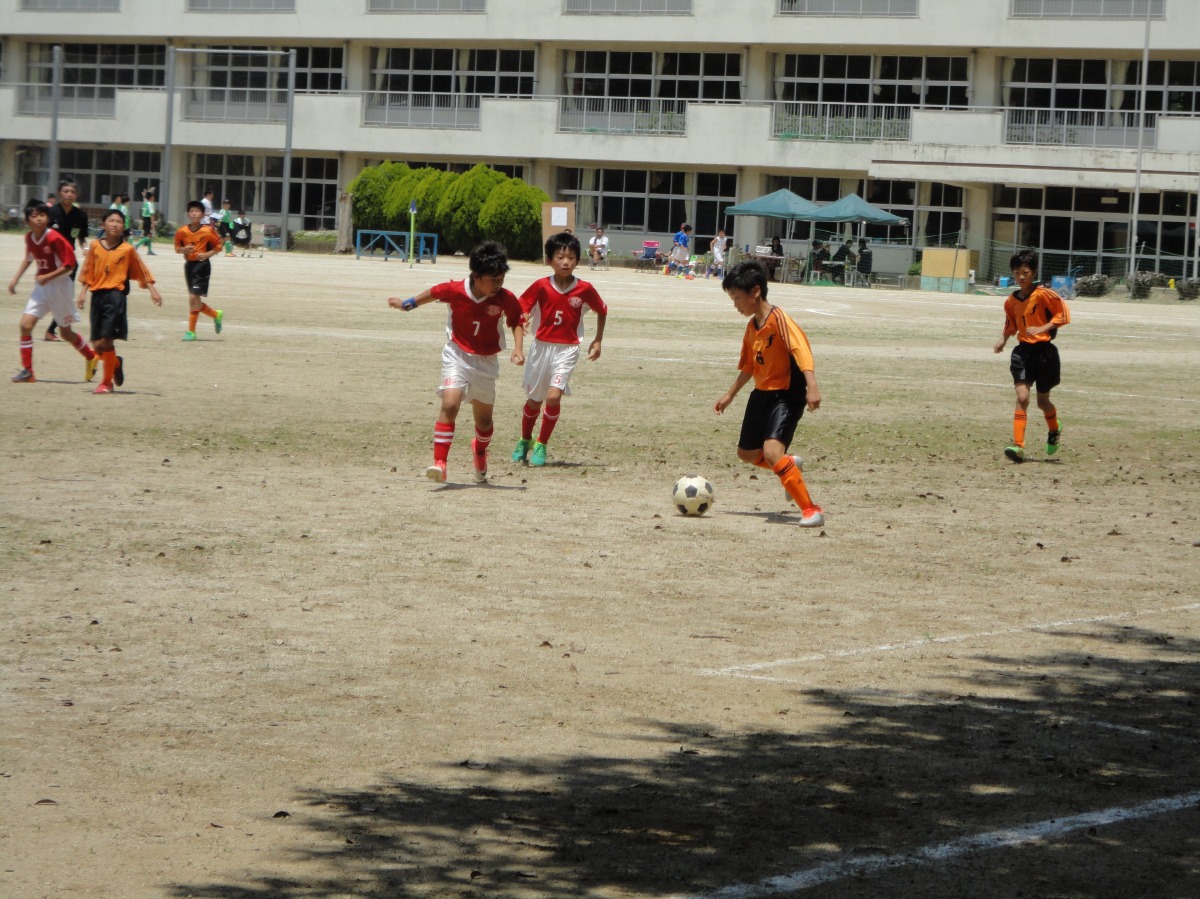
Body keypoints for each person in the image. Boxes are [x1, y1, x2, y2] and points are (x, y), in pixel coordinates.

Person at [387, 241, 525, 484]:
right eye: (494, 280)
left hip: (486, 361)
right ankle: (440, 463)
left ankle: (479, 450)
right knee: (450, 403)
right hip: (457, 354)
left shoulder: (505, 298)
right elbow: (433, 292)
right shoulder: (455, 290)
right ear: (477, 276)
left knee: (484, 423)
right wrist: (406, 304)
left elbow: (516, 321)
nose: (498, 285)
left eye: (501, 279)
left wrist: (518, 349)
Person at [713, 260, 825, 528]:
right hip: (761, 394)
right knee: (746, 454)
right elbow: (749, 366)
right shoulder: (752, 327)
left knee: (772, 452)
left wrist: (812, 385)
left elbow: (801, 351)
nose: (735, 305)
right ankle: (789, 467)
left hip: (786, 395)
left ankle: (812, 510)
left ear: (755, 292)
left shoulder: (779, 319)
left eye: (737, 298)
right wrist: (730, 395)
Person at [512, 231, 608, 468]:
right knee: (534, 401)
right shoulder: (541, 286)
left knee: (553, 397)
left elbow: (602, 310)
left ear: (577, 260)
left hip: (567, 349)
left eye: (571, 257)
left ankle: (542, 443)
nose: (566, 262)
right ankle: (525, 439)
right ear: (549, 260)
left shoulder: (584, 288)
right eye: (560, 257)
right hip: (541, 348)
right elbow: (521, 306)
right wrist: (524, 318)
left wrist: (597, 340)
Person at [8, 199, 98, 384]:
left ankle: (91, 356)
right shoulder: (29, 238)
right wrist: (15, 279)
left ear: (48, 218)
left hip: (60, 287)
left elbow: (70, 265)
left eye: (42, 215)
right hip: (42, 288)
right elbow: (29, 258)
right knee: (25, 325)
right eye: (34, 216)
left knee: (65, 333)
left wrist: (47, 277)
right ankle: (28, 371)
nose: (39, 219)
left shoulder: (54, 238)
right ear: (27, 220)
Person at [993, 248, 1069, 463]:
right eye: (1017, 273)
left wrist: (1043, 328)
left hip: (1045, 354)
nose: (1021, 277)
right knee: (1022, 397)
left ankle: (1054, 429)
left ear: (1034, 273)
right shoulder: (1011, 301)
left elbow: (1062, 315)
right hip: (1023, 353)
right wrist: (1003, 339)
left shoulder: (1045, 294)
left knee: (1043, 402)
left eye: (1025, 272)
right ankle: (1017, 446)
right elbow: (1011, 324)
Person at [75, 208, 162, 394]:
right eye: (111, 221)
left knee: (107, 339)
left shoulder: (127, 249)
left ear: (123, 227)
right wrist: (82, 293)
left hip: (116, 296)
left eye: (119, 222)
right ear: (103, 224)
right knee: (98, 345)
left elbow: (141, 270)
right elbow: (88, 270)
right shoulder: (95, 246)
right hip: (97, 296)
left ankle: (106, 383)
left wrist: (153, 291)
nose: (115, 224)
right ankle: (115, 363)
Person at [43, 179, 89, 342]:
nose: (69, 195)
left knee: (65, 296)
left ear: (77, 195)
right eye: (66, 191)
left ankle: (51, 330)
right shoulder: (50, 212)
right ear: (59, 193)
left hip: (69, 262)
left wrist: (85, 247)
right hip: (50, 260)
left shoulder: (81, 215)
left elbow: (81, 237)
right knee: (50, 295)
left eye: (72, 192)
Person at [174, 200, 225, 342]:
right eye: (191, 211)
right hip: (189, 266)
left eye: (197, 211)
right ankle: (215, 314)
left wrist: (206, 255)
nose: (194, 213)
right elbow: (177, 248)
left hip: (202, 266)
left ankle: (191, 332)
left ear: (202, 214)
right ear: (188, 214)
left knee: (192, 298)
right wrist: (184, 250)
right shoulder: (182, 231)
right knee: (195, 300)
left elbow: (218, 246)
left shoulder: (208, 231)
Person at [135, 189, 157, 255]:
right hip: (148, 220)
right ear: (151, 197)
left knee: (149, 235)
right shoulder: (150, 204)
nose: (154, 197)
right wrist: (152, 223)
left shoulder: (145, 204)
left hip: (144, 219)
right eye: (153, 196)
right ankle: (136, 245)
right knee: (148, 236)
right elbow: (151, 214)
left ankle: (149, 250)